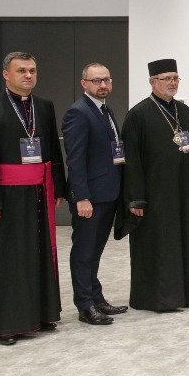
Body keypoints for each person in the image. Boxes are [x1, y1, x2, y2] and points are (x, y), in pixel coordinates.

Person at [0, 52, 66, 345]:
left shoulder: (44, 106)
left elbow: (51, 152)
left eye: (32, 70)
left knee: (37, 254)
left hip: (37, 192)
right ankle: (7, 324)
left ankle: (42, 314)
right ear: (6, 74)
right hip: (6, 198)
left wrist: (58, 188)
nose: (28, 76)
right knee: (8, 259)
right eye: (21, 70)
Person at [120, 59, 189, 312]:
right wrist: (135, 198)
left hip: (185, 194)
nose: (172, 83)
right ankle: (159, 297)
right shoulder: (138, 115)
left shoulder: (186, 113)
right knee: (159, 245)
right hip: (155, 196)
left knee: (186, 241)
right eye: (166, 78)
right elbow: (132, 161)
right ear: (152, 81)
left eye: (176, 78)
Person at [61, 62, 126, 326]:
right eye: (96, 81)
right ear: (84, 83)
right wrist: (82, 197)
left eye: (106, 80)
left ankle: (96, 297)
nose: (102, 85)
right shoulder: (78, 113)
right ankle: (85, 305)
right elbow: (75, 160)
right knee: (84, 252)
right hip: (90, 198)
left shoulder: (106, 109)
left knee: (96, 251)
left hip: (108, 194)